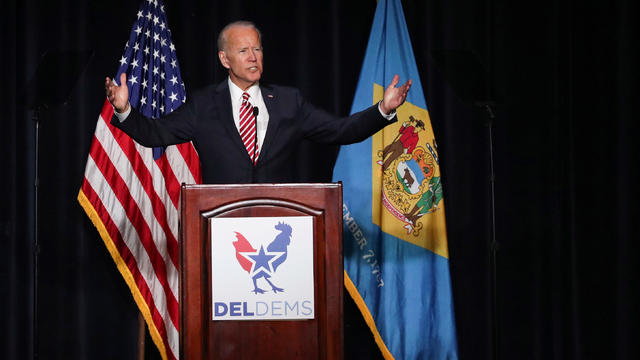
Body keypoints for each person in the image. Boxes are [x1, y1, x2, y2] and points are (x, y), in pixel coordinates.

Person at [105, 21, 412, 184]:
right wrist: (123, 110)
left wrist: (382, 109)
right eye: (243, 51)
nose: (253, 57)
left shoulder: (289, 102)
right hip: (222, 229)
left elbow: (341, 130)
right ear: (225, 59)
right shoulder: (203, 105)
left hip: (278, 223)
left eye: (257, 49)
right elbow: (154, 134)